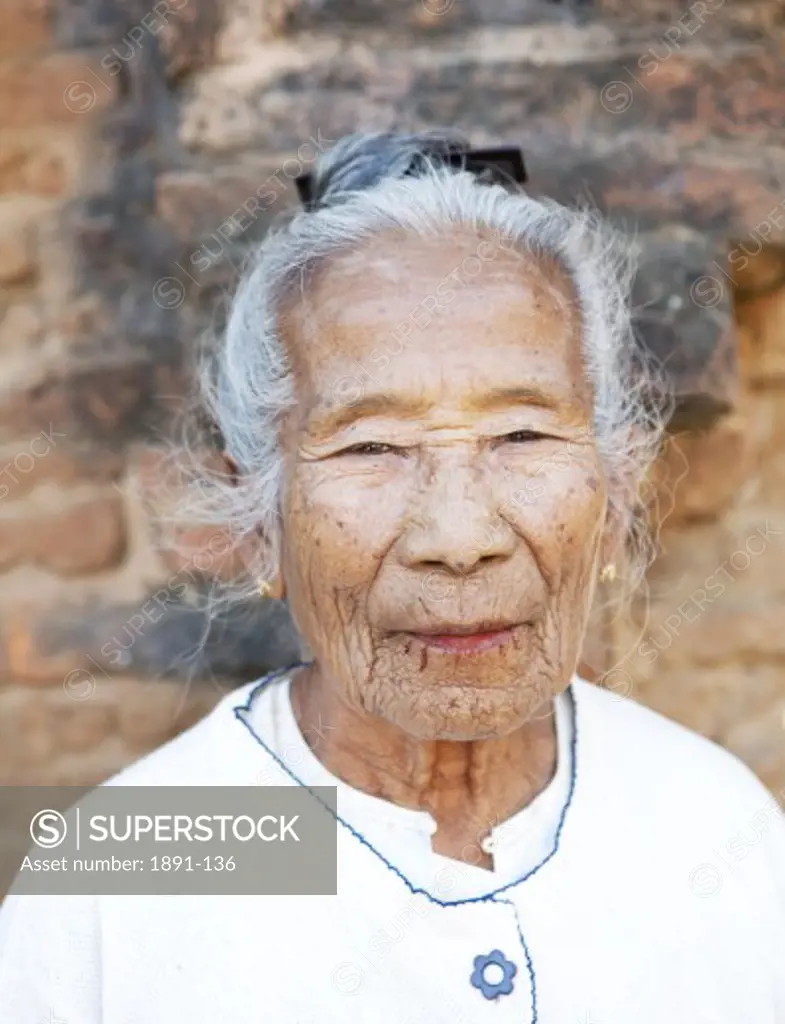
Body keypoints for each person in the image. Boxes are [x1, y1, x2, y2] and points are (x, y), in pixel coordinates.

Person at [1, 131, 783, 1023]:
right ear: (258, 520)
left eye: (522, 436)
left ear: (614, 483)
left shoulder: (715, 825)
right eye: (371, 447)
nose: (458, 537)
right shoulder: (117, 885)